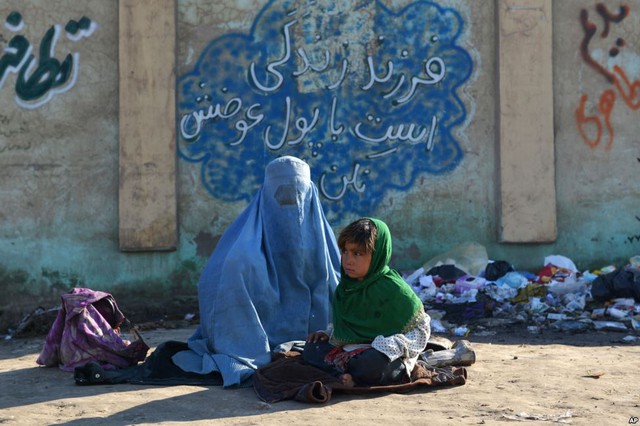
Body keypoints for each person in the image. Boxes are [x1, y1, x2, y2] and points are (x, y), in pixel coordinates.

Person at [173, 156, 341, 387]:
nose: (291, 205)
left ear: (310, 195)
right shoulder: (238, 259)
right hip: (255, 347)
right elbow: (214, 287)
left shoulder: (325, 247)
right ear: (266, 194)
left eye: (297, 195)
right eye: (282, 196)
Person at [303, 217, 431, 387]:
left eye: (357, 253)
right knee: (312, 349)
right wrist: (329, 333)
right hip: (349, 351)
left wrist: (391, 345)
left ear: (378, 253)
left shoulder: (394, 289)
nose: (348, 260)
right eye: (345, 252)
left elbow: (422, 328)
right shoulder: (346, 288)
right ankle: (349, 375)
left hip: (382, 354)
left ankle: (346, 374)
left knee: (374, 364)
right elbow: (348, 324)